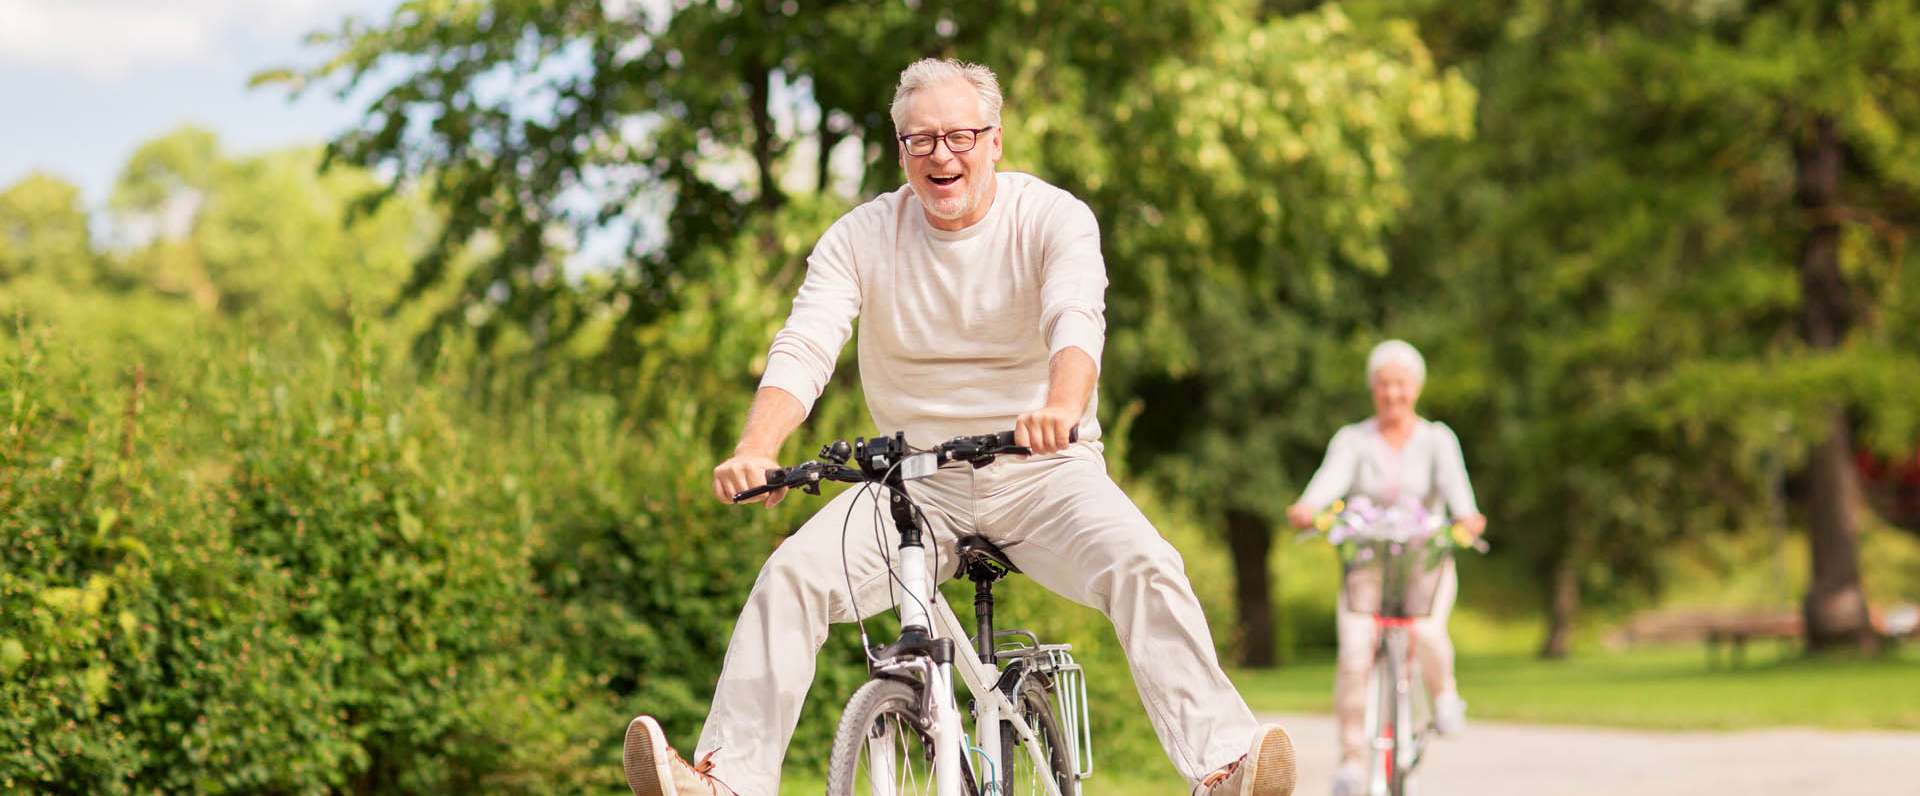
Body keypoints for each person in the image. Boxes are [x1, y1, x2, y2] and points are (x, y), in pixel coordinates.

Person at [620, 58, 1297, 796]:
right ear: (900, 149)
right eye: (921, 140)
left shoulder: (1050, 217)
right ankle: (729, 782)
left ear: (995, 141)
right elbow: (806, 343)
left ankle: (1221, 766)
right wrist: (758, 449)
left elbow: (1075, 318)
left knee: (1144, 564)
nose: (942, 155)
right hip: (914, 485)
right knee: (790, 577)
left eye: (960, 136)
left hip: (1044, 473)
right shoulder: (861, 236)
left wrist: (1062, 408)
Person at [1284, 339, 1485, 796]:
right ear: (1373, 389)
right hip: (1368, 565)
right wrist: (1307, 508)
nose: (1392, 394)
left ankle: (1444, 694)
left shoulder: (1438, 439)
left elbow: (1460, 497)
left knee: (1428, 631)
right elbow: (1325, 485)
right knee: (1355, 653)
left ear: (1416, 388)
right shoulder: (1354, 440)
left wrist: (1467, 521)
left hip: (1423, 563)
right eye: (1383, 385)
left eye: (1401, 385)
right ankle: (1352, 761)